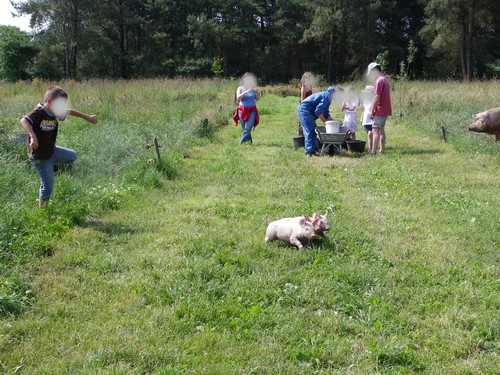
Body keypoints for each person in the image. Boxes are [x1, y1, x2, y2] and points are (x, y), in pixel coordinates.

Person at [20, 86, 98, 208]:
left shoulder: (54, 111)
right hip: (40, 157)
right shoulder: (39, 112)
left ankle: (53, 168)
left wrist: (88, 118)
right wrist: (33, 136)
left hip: (52, 151)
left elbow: (70, 111)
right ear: (50, 101)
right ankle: (42, 212)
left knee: (72, 155)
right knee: (48, 185)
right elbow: (24, 120)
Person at [297, 87, 335, 156]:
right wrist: (326, 122)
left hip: (308, 111)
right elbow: (318, 112)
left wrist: (334, 122)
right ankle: (310, 152)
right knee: (310, 130)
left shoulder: (328, 97)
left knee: (313, 130)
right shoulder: (327, 96)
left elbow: (325, 113)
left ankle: (312, 149)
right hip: (305, 110)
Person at [367, 62, 392, 154]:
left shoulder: (379, 81)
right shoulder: (385, 80)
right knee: (381, 130)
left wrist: (372, 110)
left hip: (380, 109)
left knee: (375, 130)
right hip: (386, 109)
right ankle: (381, 150)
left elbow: (377, 96)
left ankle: (373, 151)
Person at [233, 72, 260, 144]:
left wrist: (257, 93)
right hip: (242, 110)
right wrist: (247, 91)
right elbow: (238, 98)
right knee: (245, 127)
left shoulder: (253, 89)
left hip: (252, 110)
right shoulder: (240, 88)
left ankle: (242, 143)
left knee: (248, 127)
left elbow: (258, 99)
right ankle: (249, 141)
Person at [360, 85, 374, 152]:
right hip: (366, 120)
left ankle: (372, 149)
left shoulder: (374, 100)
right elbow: (364, 110)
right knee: (369, 134)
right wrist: (361, 118)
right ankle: (370, 148)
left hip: (372, 119)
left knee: (370, 133)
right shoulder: (365, 100)